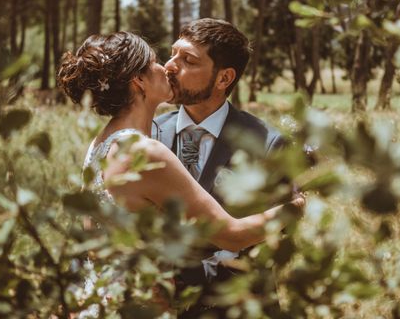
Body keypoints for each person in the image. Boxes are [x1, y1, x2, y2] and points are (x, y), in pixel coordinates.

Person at [57, 31, 304, 314]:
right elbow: (232, 234)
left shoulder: (103, 141)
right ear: (138, 80)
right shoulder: (146, 151)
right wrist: (296, 207)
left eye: (186, 59)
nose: (168, 66)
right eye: (157, 61)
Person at [152, 18, 289, 317]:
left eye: (188, 60)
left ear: (223, 78)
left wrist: (184, 280)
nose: (170, 66)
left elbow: (267, 247)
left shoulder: (267, 145)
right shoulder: (148, 133)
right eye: (173, 53)